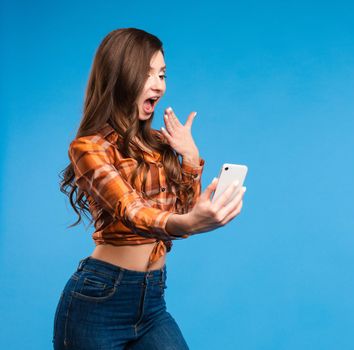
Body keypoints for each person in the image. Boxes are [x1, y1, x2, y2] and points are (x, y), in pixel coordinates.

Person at [53, 28, 246, 349]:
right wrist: (186, 223)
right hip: (99, 299)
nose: (159, 84)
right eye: (147, 74)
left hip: (152, 300)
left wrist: (190, 158)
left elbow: (179, 219)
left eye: (162, 74)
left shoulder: (159, 143)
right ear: (120, 76)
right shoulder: (89, 149)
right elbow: (131, 211)